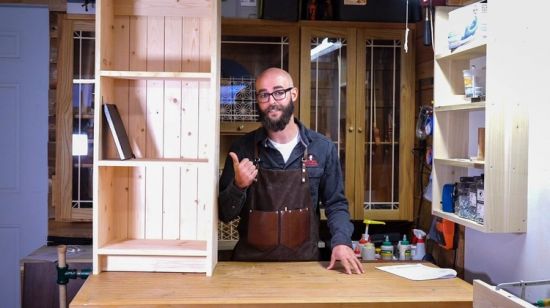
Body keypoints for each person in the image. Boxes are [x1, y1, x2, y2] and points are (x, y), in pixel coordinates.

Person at [218, 67, 364, 275]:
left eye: (279, 92)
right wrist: (238, 187)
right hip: (249, 269)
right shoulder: (241, 150)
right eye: (264, 95)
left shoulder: (322, 148)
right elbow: (224, 215)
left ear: (293, 94)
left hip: (305, 268)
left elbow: (336, 204)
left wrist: (341, 242)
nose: (271, 101)